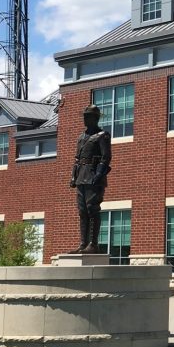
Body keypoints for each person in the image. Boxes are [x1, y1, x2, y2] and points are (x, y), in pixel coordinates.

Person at [70, 105, 112, 253]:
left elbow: (106, 157)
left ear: (96, 118)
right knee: (82, 211)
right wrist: (73, 176)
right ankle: (83, 243)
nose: (85, 119)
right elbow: (77, 158)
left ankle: (93, 244)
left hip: (94, 176)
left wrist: (99, 174)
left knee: (92, 209)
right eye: (84, 116)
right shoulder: (81, 137)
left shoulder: (102, 135)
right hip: (81, 176)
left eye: (88, 116)